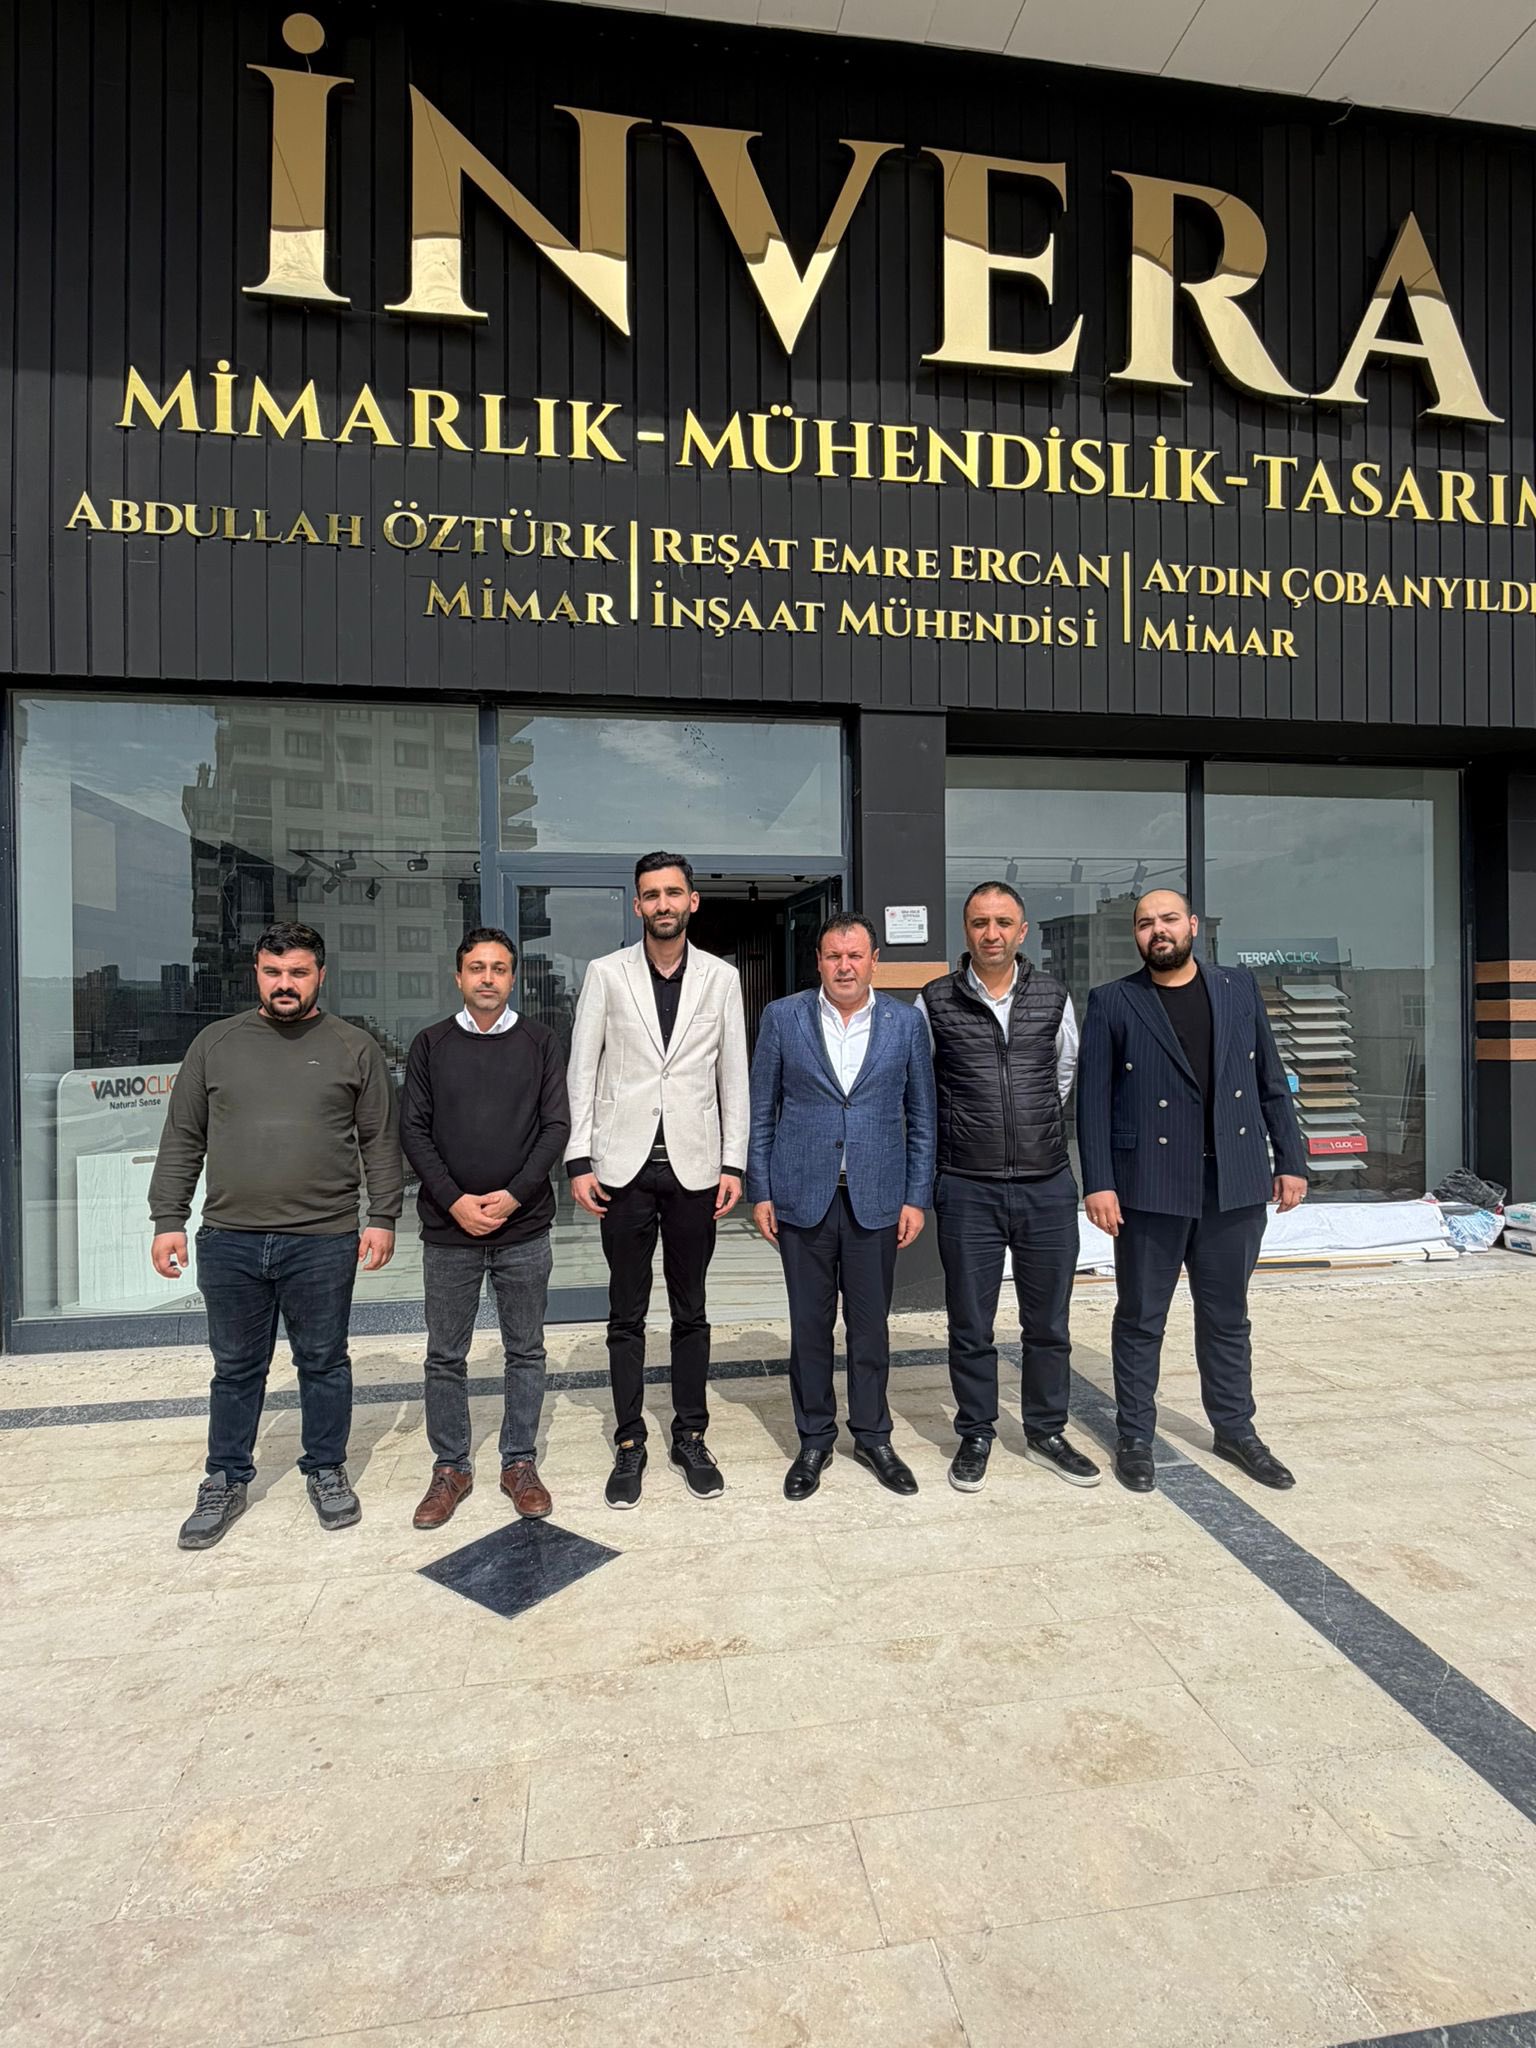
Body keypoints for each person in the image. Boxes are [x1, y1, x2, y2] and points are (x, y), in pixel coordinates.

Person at [149, 923, 402, 1549]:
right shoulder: (215, 1044)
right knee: (235, 1368)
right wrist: (167, 1219)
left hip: (323, 1238)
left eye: (297, 972)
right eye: (272, 972)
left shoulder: (354, 1047)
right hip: (230, 1238)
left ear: (321, 975)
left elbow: (379, 1141)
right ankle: (225, 1478)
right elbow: (183, 1137)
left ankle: (327, 1469)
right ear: (256, 974)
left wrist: (383, 1216)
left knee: (323, 1362)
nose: (284, 984)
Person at [1076, 888, 1308, 1494]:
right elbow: (1092, 1102)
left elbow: (1270, 1080)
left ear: (1193, 926)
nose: (1158, 930)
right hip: (1149, 1186)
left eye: (1169, 919)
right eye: (1145, 923)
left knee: (1227, 1317)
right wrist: (1099, 1182)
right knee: (1140, 1318)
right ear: (1135, 935)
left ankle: (1235, 1430)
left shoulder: (1238, 988)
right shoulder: (1113, 1000)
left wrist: (1291, 1159)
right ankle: (1135, 1436)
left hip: (1233, 1181)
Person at [564, 853, 750, 1508]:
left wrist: (733, 1162)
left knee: (691, 1309)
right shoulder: (605, 974)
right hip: (623, 1171)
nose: (663, 904)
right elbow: (582, 1069)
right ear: (638, 904)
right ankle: (629, 1440)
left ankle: (690, 1434)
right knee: (627, 1313)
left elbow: (734, 1074)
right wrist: (579, 1158)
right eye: (651, 894)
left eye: (673, 892)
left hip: (696, 1171)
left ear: (692, 901)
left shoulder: (722, 978)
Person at [915, 881, 1099, 1494]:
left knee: (1048, 1324)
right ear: (965, 930)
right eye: (979, 922)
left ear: (1022, 931)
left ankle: (1046, 1431)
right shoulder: (934, 1000)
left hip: (1046, 1185)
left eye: (1002, 923)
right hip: (967, 1186)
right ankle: (975, 1432)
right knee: (971, 1323)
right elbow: (923, 1086)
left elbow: (1063, 1073)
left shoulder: (1053, 995)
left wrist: (1029, 1125)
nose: (990, 933)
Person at [748, 913, 936, 1501]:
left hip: (876, 1199)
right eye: (834, 956)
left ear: (874, 960)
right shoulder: (783, 1017)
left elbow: (923, 1116)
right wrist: (761, 1190)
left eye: (855, 956)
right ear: (820, 962)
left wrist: (916, 1196)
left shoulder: (906, 1023)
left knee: (870, 1327)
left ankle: (874, 1436)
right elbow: (761, 1109)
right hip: (802, 1196)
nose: (845, 966)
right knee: (809, 1327)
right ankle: (814, 1439)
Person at [400, 927, 571, 1529]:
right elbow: (412, 1131)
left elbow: (556, 1126)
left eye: (499, 968)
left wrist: (514, 1195)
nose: (488, 978)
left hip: (524, 1227)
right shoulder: (431, 1045)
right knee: (446, 1355)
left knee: (525, 1350)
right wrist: (455, 1201)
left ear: (513, 978)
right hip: (450, 1232)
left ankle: (518, 1461)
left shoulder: (540, 1042)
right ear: (459, 977)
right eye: (477, 968)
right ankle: (451, 1467)